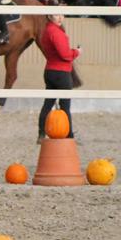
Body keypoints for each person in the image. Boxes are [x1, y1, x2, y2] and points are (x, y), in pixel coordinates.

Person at [36, 13, 79, 143]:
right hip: (61, 73)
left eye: (62, 15)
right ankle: (69, 136)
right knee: (65, 106)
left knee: (47, 104)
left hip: (49, 70)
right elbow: (65, 55)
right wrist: (76, 52)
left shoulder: (46, 31)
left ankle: (41, 133)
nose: (60, 18)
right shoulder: (56, 32)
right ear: (49, 16)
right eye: (56, 15)